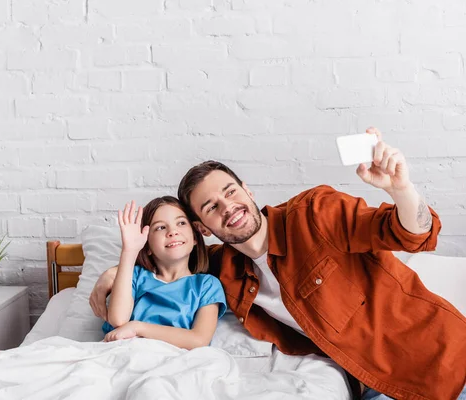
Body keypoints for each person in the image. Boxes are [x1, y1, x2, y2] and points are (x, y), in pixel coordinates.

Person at [91, 128, 466, 400]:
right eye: (211, 208)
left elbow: (412, 234)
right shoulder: (224, 271)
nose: (229, 208)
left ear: (248, 192)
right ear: (204, 228)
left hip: (447, 362)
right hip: (375, 387)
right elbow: (172, 264)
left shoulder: (316, 215)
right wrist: (110, 273)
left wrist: (400, 189)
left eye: (231, 192)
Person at [102, 196, 227, 350]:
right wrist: (129, 251)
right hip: (126, 353)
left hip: (175, 359)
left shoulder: (207, 285)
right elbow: (118, 320)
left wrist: (137, 328)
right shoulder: (135, 277)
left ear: (195, 237)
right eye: (160, 227)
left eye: (181, 223)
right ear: (147, 245)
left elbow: (199, 339)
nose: (172, 232)